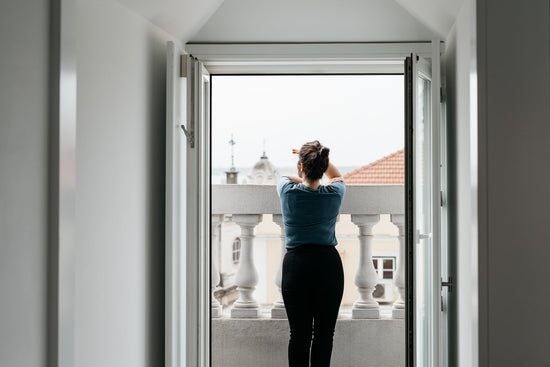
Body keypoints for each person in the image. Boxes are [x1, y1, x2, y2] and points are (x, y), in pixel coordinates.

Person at [276, 140, 346, 367]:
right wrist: (319, 161)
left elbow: (288, 178)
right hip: (328, 265)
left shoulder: (287, 192)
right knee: (325, 335)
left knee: (299, 335)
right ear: (322, 166)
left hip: (297, 265)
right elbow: (336, 176)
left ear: (300, 167)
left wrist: (306, 162)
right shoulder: (334, 193)